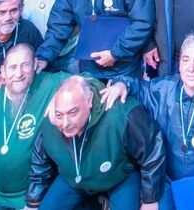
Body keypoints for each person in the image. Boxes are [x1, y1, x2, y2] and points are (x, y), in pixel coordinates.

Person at [99, 35, 194, 210]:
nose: (191, 68)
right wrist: (122, 84)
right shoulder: (163, 89)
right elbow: (138, 87)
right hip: (166, 180)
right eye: (186, 59)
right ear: (179, 64)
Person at [0, 44, 75, 210]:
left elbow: (84, 82)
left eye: (25, 65)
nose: (18, 74)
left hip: (30, 198)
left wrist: (121, 84)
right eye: (12, 67)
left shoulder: (48, 85)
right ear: (3, 71)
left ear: (35, 65)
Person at [25, 76, 165, 210]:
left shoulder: (121, 113)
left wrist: (150, 200)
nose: (65, 123)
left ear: (89, 100)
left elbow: (152, 152)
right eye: (60, 115)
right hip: (73, 177)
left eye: (73, 112)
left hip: (119, 176)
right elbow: (39, 163)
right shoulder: (51, 120)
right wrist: (33, 202)